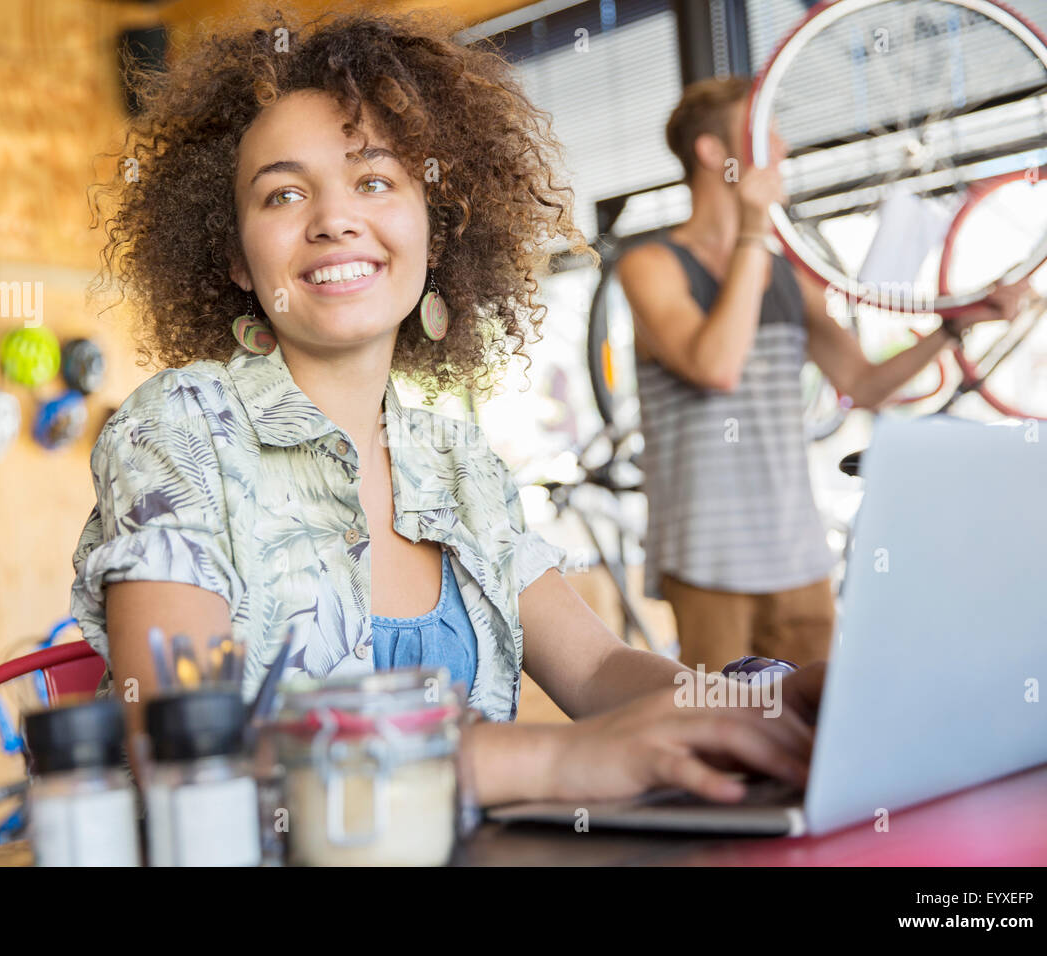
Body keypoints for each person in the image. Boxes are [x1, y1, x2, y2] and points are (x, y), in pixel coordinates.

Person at [71, 9, 821, 808]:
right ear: (236, 260)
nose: (333, 219)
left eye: (374, 181)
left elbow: (599, 670)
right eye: (283, 193)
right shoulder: (176, 430)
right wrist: (553, 764)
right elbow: (185, 737)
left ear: (434, 234)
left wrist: (762, 702)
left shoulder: (459, 461)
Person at [620, 76, 1031, 674]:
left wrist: (953, 327)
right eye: (763, 133)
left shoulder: (789, 276)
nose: (781, 148)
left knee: (815, 732)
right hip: (706, 560)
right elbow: (716, 367)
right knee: (731, 735)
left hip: (800, 557)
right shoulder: (651, 265)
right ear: (712, 154)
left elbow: (863, 384)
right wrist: (755, 229)